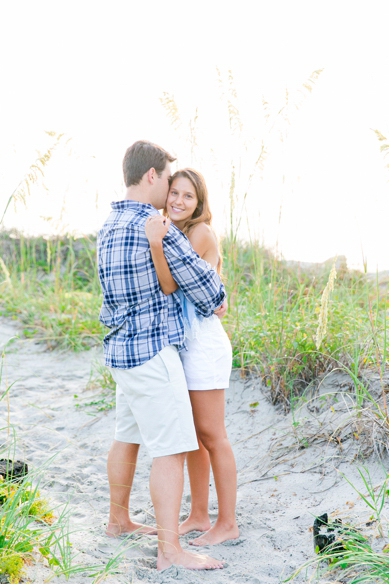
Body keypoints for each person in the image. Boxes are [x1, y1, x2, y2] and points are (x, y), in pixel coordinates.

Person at [98, 141, 226, 571]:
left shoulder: (110, 224)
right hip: (152, 352)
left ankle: (118, 520)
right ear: (151, 176)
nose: (172, 189)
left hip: (120, 352)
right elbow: (210, 292)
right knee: (171, 449)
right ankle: (171, 551)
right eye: (169, 179)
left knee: (127, 435)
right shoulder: (156, 227)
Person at [144, 168, 239, 546]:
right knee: (195, 438)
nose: (179, 201)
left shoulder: (198, 233)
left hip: (205, 346)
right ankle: (199, 514)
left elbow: (170, 286)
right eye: (175, 194)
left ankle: (227, 522)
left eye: (188, 197)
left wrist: (155, 245)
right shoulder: (177, 232)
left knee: (214, 436)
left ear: (199, 203)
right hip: (186, 345)